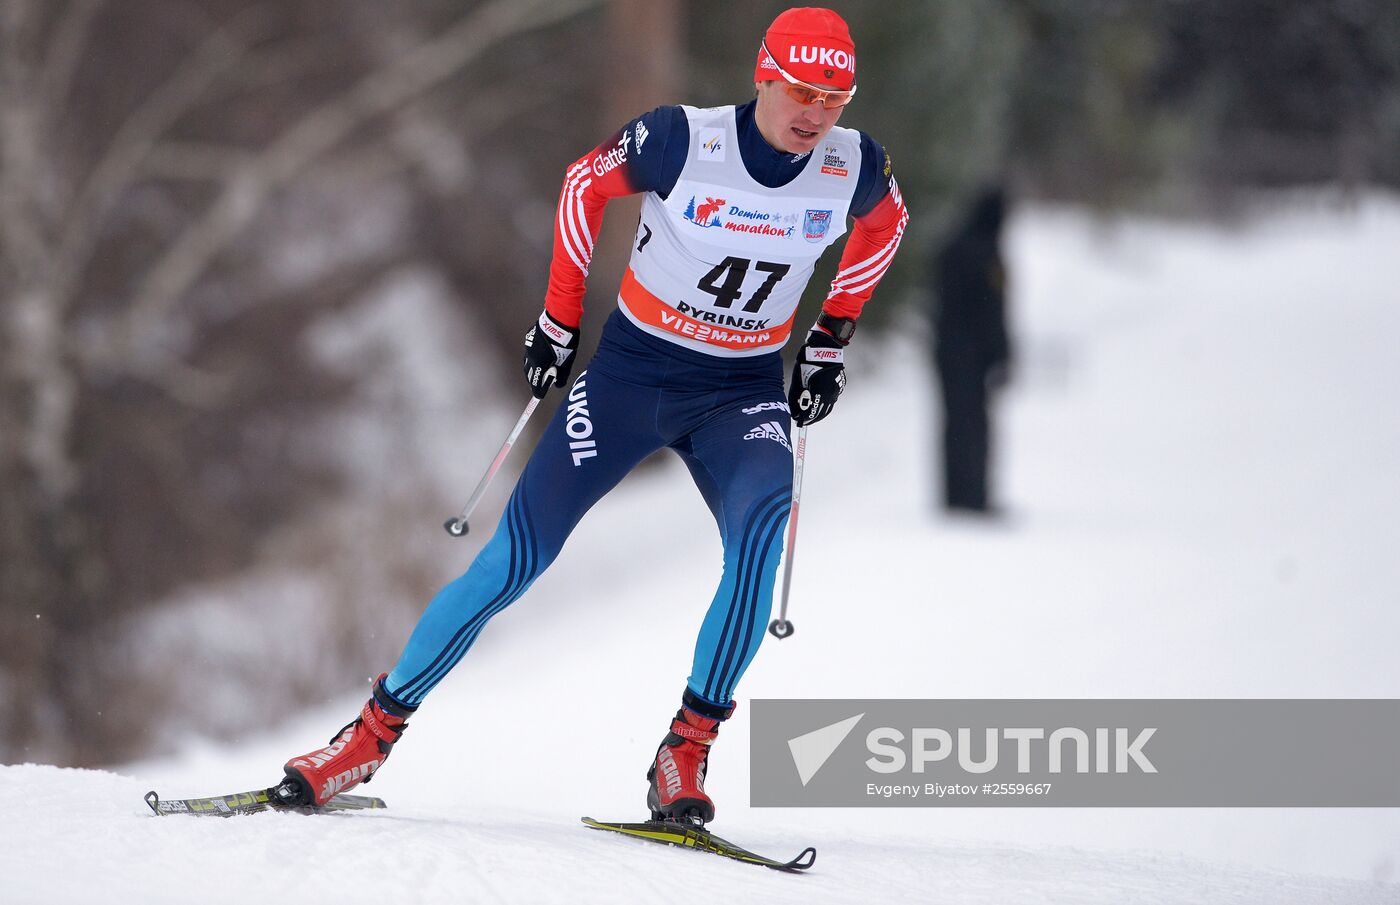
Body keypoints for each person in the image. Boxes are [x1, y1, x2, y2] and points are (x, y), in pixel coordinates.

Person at [277, 7, 908, 826]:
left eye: (834, 96)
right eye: (801, 90)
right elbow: (585, 184)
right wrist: (559, 318)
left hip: (741, 391)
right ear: (763, 73)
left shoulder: (852, 163)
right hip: (631, 377)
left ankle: (685, 748)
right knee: (512, 561)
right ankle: (367, 737)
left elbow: (886, 226)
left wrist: (830, 337)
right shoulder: (684, 140)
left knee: (761, 535)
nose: (815, 113)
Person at [931, 186, 1011, 514]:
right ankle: (974, 498)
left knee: (954, 424)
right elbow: (994, 310)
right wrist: (1002, 353)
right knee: (974, 425)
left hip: (948, 351)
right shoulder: (988, 252)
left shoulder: (953, 246)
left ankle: (955, 497)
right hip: (974, 356)